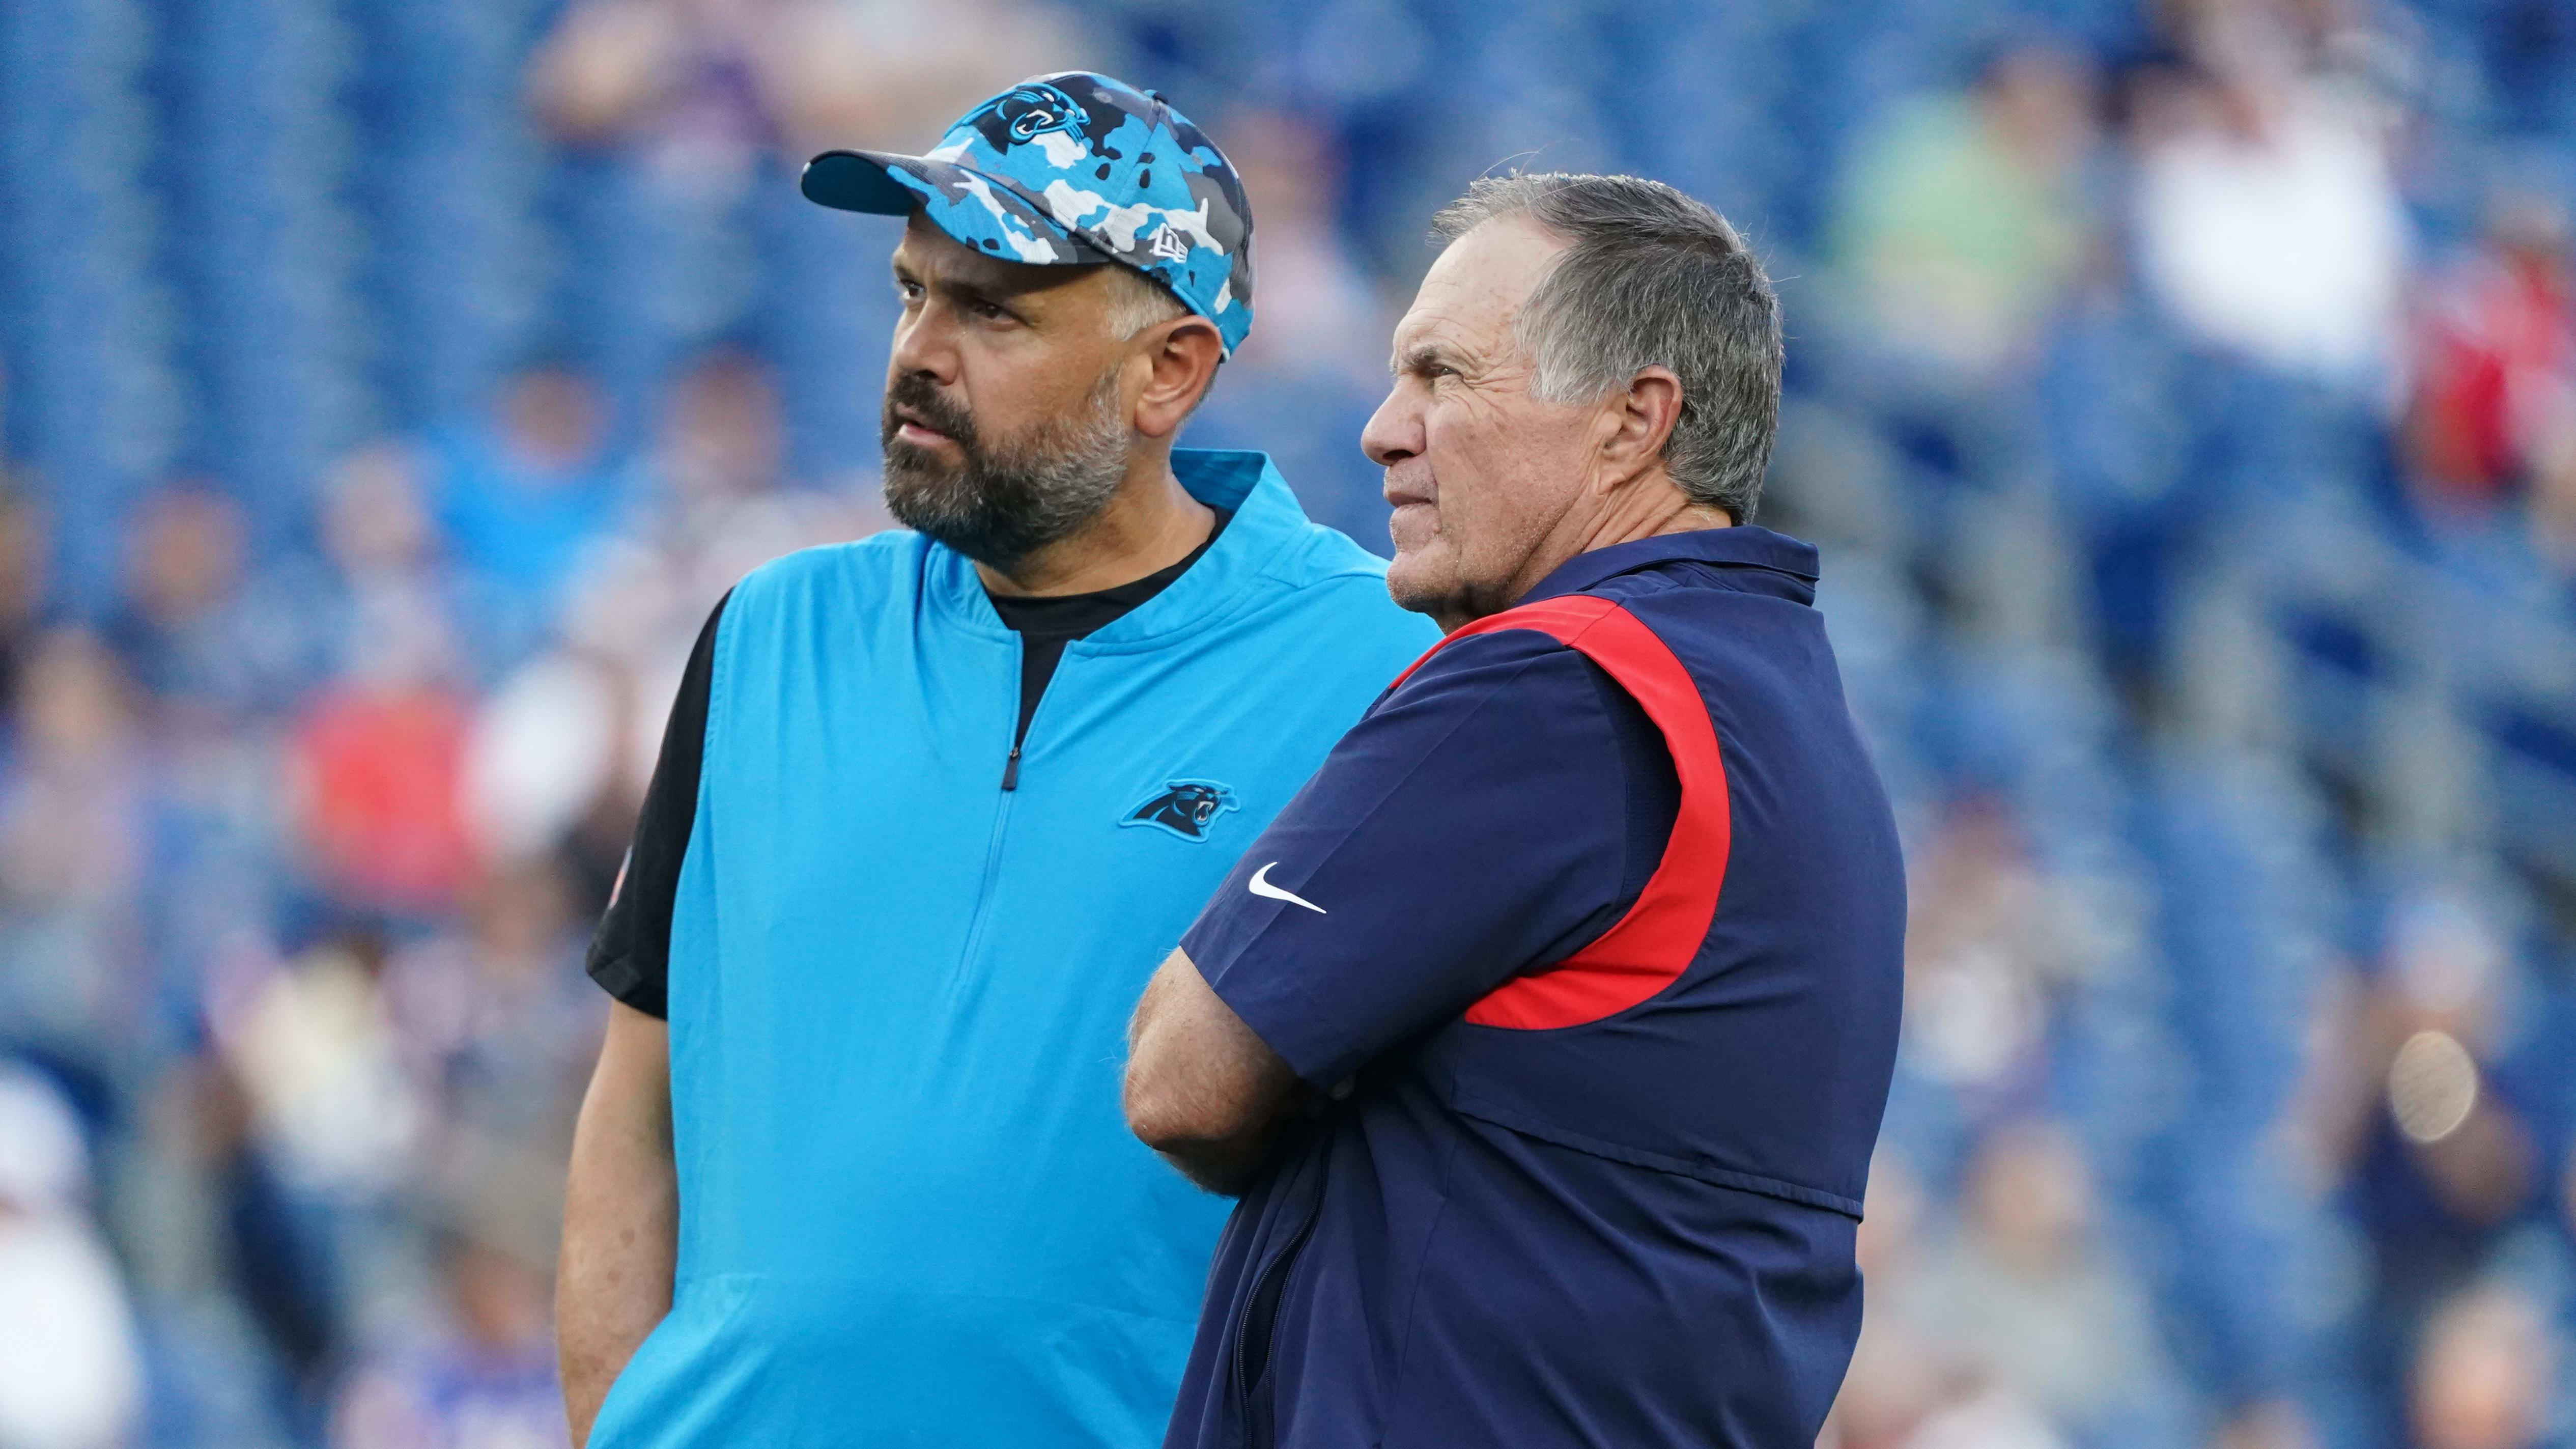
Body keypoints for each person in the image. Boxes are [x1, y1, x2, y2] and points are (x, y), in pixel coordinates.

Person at [554, 72, 1438, 1447]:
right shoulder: (767, 634)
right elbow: (636, 1100)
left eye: (992, 311)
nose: (919, 347)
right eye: (911, 293)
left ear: (1171, 371)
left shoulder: (1374, 669)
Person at [1124, 172, 1906, 1447]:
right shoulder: (1785, 712)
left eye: (1442, 375)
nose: (1383, 428)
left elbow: (1186, 1076)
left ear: (1630, 421)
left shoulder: (1558, 679)